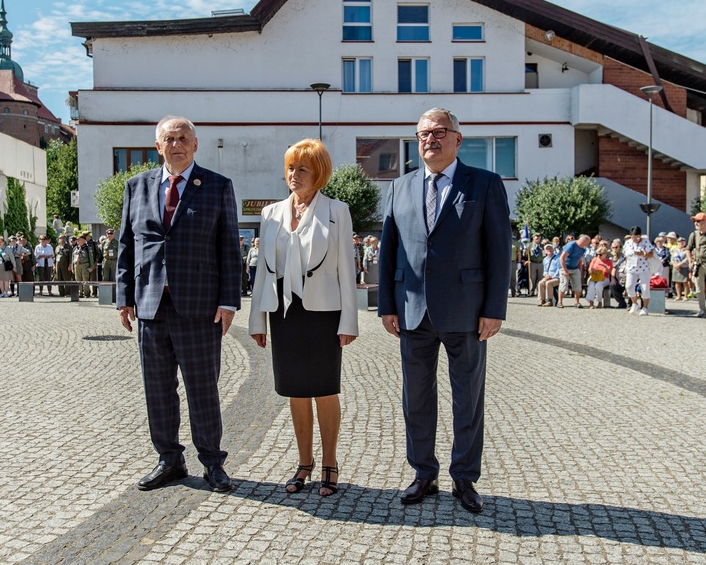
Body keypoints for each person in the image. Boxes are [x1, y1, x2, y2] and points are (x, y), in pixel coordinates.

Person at [378, 108, 510, 512]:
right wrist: (386, 304)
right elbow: (388, 251)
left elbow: (499, 251)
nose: (430, 139)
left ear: (458, 139)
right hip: (412, 311)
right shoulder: (400, 187)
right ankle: (423, 473)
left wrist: (494, 309)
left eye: (439, 132)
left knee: (467, 398)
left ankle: (465, 479)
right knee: (415, 398)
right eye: (422, 134)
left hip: (467, 312)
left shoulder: (485, 184)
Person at [117, 115, 242, 493]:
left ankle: (212, 462)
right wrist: (124, 297)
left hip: (200, 307)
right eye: (169, 138)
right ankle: (169, 459)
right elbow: (126, 245)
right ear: (158, 146)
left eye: (183, 137)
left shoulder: (218, 186)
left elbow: (228, 248)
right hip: (151, 307)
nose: (176, 144)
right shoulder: (135, 187)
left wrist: (229, 302)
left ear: (195, 144)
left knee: (202, 388)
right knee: (157, 388)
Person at [249, 139, 358, 497]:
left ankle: (329, 462)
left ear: (319, 173)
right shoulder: (271, 213)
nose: (294, 175)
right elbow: (263, 272)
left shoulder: (336, 211)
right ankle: (304, 462)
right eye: (290, 168)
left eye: (302, 169)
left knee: (324, 390)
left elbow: (346, 267)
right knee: (295, 392)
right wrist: (256, 321)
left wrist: (349, 322)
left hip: (324, 314)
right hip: (284, 313)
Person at [622, 226, 654, 316]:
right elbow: (625, 253)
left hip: (643, 268)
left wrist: (642, 253)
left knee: (644, 288)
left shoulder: (645, 241)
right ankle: (635, 303)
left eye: (637, 237)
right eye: (633, 237)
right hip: (631, 267)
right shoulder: (628, 243)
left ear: (640, 235)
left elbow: (651, 254)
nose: (635, 239)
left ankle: (645, 308)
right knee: (629, 286)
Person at [557, 234, 590, 309]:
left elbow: (580, 260)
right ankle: (559, 302)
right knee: (564, 284)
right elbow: (562, 258)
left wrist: (580, 270)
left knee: (577, 286)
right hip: (565, 267)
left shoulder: (583, 249)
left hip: (575, 268)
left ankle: (576, 302)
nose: (587, 245)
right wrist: (565, 271)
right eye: (586, 243)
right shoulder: (571, 245)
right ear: (582, 241)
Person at [585, 243, 613, 309]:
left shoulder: (608, 261)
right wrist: (592, 270)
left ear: (605, 254)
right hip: (594, 277)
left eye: (600, 255)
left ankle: (599, 301)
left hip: (604, 278)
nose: (598, 256)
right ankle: (591, 303)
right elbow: (589, 269)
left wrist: (605, 267)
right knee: (591, 285)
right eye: (597, 254)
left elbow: (609, 272)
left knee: (598, 285)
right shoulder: (595, 259)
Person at [671, 236, 691, 300]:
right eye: (679, 242)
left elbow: (687, 259)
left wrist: (679, 265)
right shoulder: (675, 250)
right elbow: (672, 259)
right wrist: (675, 265)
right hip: (676, 268)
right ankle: (679, 296)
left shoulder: (686, 250)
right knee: (677, 282)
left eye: (682, 242)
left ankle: (685, 296)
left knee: (685, 282)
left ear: (685, 243)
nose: (681, 243)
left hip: (684, 267)